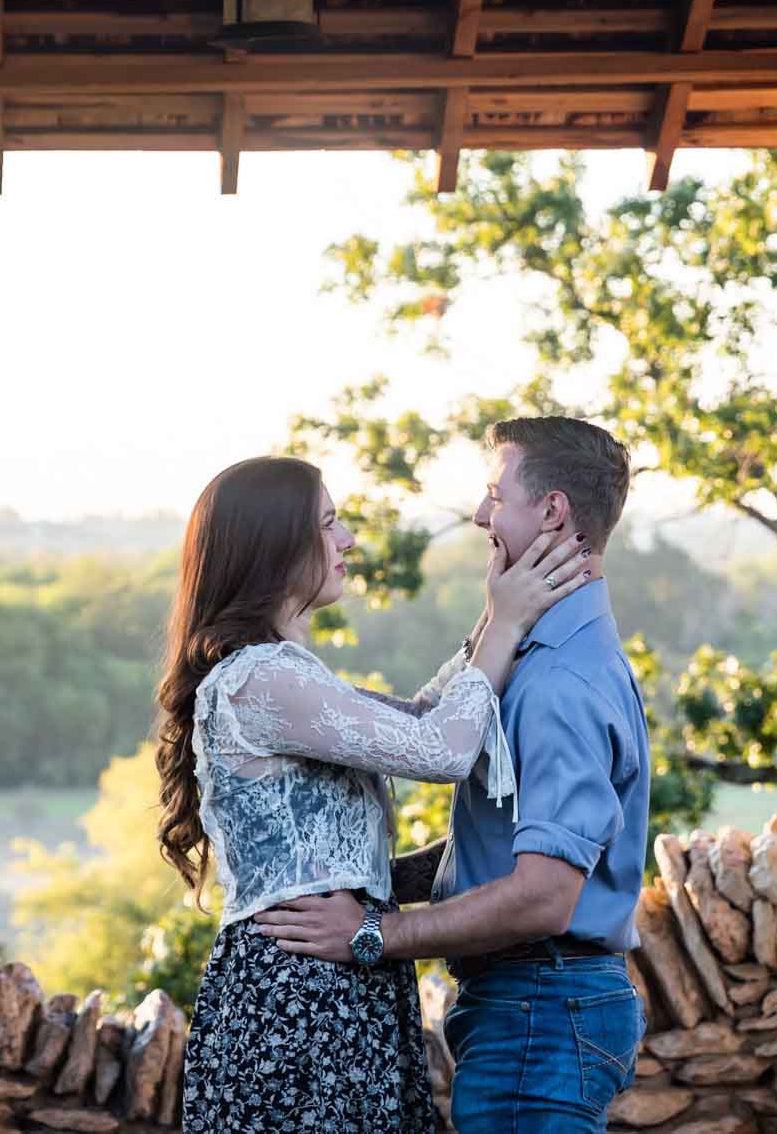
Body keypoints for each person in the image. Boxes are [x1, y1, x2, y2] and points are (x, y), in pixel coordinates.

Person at [157, 454, 593, 1133]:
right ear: (274, 548)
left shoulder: (287, 673)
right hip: (296, 998)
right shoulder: (260, 678)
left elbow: (420, 717)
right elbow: (442, 749)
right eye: (329, 524)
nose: (349, 540)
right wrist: (506, 624)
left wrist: (490, 618)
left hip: (339, 981)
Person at [254, 417, 649, 1133]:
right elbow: (501, 848)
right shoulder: (537, 653)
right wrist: (360, 881)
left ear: (553, 512)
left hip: (541, 1007)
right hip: (530, 1005)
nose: (478, 515)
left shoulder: (561, 679)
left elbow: (544, 895)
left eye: (496, 495)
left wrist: (373, 931)